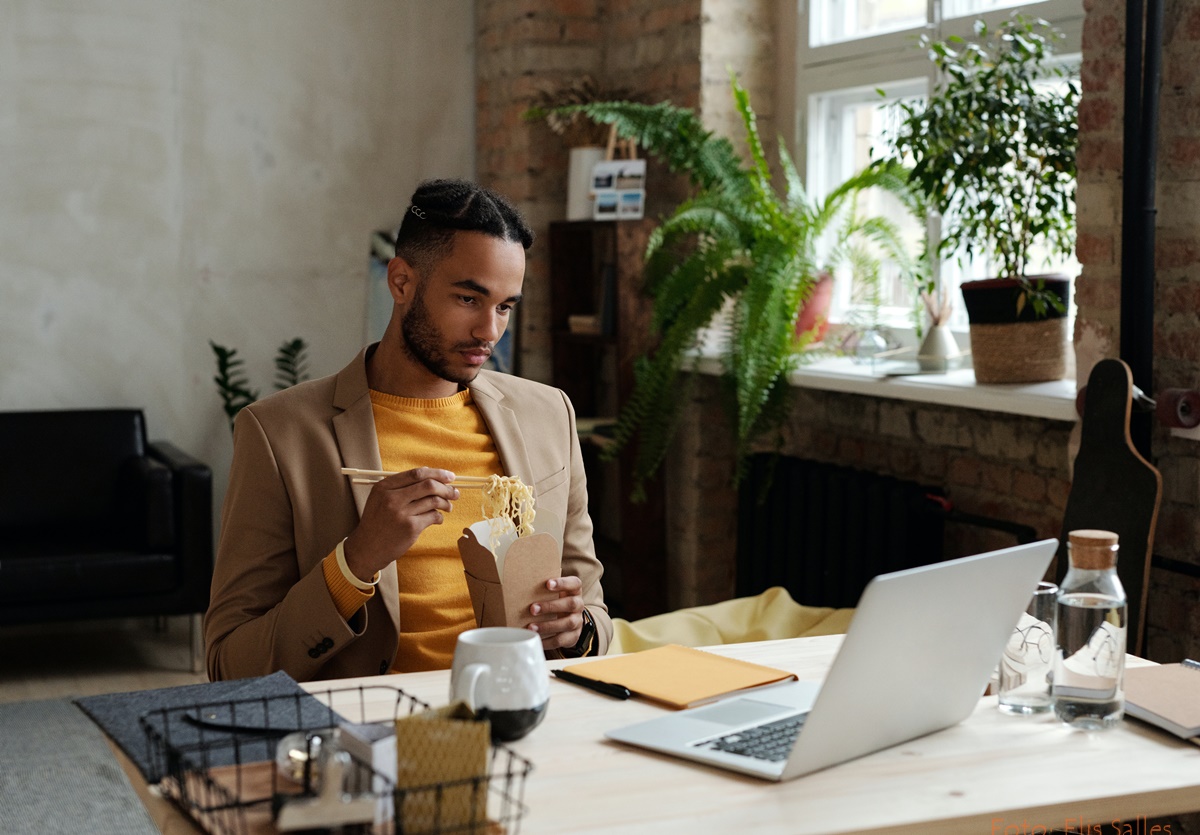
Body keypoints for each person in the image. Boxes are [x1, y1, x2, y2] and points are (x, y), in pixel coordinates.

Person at [205, 178, 611, 682]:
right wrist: (356, 560)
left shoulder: (550, 415)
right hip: (373, 726)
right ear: (401, 282)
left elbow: (593, 613)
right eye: (468, 299)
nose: (490, 331)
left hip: (521, 714)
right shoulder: (279, 435)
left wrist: (578, 631)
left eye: (505, 306)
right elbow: (229, 665)